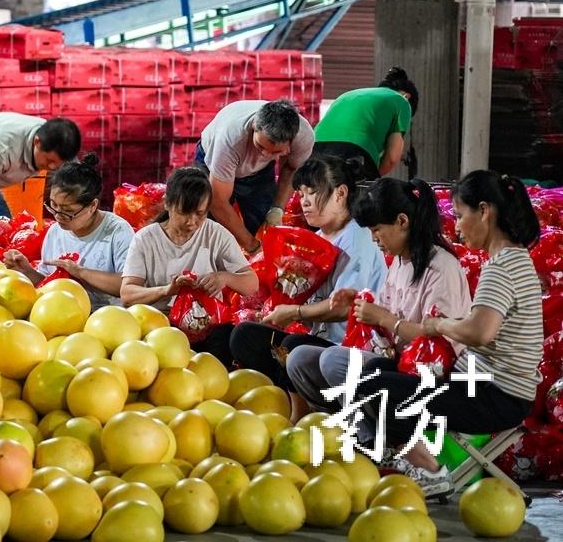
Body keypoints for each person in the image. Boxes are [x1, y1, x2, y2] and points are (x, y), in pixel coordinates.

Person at [293, 171, 541, 498]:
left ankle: (429, 471)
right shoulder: (512, 261)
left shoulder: (500, 267)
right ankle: (391, 455)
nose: (457, 226)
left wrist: (437, 326)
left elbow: (479, 331)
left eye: (462, 215)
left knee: (371, 386)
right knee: (326, 365)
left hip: (494, 394)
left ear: (485, 211)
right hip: (484, 385)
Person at [284, 176, 472, 473]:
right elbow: (387, 311)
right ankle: (361, 433)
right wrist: (359, 301)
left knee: (334, 361)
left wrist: (383, 318)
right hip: (393, 357)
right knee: (299, 359)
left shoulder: (441, 267)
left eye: (376, 230)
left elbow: (440, 338)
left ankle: (379, 446)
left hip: (428, 371)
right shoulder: (398, 261)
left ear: (402, 222)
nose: (373, 239)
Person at [228, 154, 388, 402]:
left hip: (349, 347)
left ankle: (301, 412)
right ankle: (276, 400)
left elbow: (344, 308)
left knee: (292, 346)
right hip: (316, 338)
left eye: (312, 192)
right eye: (301, 194)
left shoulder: (358, 238)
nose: (304, 202)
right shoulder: (318, 240)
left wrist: (294, 313)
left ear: (340, 193)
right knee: (244, 336)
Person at [120, 165, 259, 365]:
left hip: (206, 325)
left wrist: (224, 277)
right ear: (167, 204)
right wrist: (167, 290)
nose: (192, 222)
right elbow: (127, 295)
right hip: (159, 326)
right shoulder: (146, 239)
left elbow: (251, 283)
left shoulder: (215, 234)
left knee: (229, 337)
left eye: (200, 214)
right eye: (184, 212)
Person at [3, 153, 133, 310]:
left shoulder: (117, 231)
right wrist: (27, 272)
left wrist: (81, 272)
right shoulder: (55, 232)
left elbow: (128, 286)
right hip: (62, 313)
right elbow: (48, 283)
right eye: (53, 206)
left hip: (106, 316)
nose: (58, 216)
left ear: (93, 206)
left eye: (68, 211)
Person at [196, 98, 315, 253]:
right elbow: (218, 202)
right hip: (213, 159)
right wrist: (252, 246)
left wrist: (277, 209)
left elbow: (291, 168)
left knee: (263, 219)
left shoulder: (304, 137)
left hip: (259, 171)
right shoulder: (230, 139)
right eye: (261, 146)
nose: (266, 154)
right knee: (211, 227)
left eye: (276, 152)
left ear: (291, 143)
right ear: (254, 127)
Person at [312, 68, 420, 181]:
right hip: (353, 152)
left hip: (315, 148)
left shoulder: (349, 94)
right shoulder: (402, 101)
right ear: (407, 96)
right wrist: (372, 179)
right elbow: (392, 159)